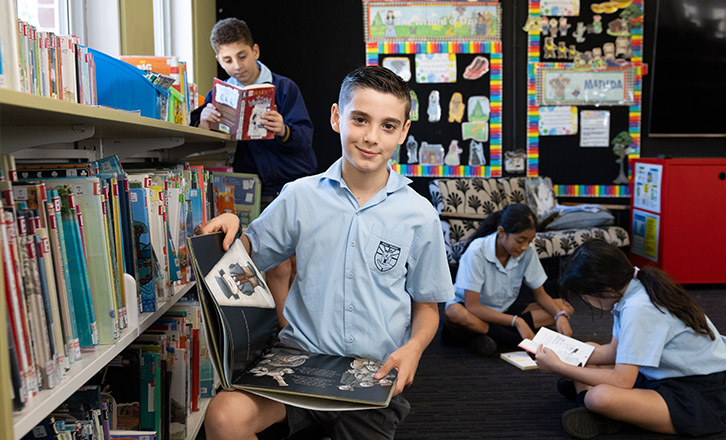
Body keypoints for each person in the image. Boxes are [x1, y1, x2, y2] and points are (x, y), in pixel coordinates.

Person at [199, 65, 454, 440]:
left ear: (403, 132)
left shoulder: (419, 215)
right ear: (337, 117)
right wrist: (232, 230)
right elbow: (248, 253)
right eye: (360, 119)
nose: (371, 137)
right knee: (224, 416)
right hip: (298, 366)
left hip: (373, 376)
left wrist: (414, 348)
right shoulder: (300, 196)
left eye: (387, 126)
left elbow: (427, 307)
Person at [537, 240, 726, 439]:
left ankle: (593, 408)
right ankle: (596, 412)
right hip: (663, 374)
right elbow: (614, 351)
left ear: (605, 290)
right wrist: (565, 356)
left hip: (700, 395)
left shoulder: (638, 308)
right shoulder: (632, 287)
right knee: (587, 350)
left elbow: (622, 380)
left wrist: (560, 367)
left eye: (584, 297)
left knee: (597, 396)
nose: (584, 302)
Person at [190, 17, 316, 328]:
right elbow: (201, 144)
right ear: (219, 59)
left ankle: (293, 323)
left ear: (255, 50)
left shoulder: (284, 89)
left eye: (242, 56)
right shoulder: (219, 96)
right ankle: (277, 326)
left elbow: (305, 138)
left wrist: (283, 129)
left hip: (290, 182)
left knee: (295, 258)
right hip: (252, 187)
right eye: (227, 59)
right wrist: (203, 124)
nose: (236, 66)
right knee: (268, 257)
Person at [443, 203, 574, 356]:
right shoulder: (477, 251)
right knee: (454, 312)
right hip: (473, 312)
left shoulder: (527, 251)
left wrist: (560, 316)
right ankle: (512, 339)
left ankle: (488, 336)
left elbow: (541, 294)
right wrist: (517, 322)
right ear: (501, 232)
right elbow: (473, 306)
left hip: (504, 311)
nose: (525, 246)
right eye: (520, 240)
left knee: (565, 307)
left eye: (529, 241)